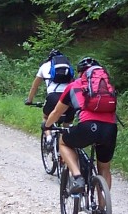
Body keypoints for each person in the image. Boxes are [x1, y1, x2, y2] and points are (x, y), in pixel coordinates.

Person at [43, 56, 118, 194]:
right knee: (104, 168)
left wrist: (47, 125)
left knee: (64, 143)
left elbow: (57, 112)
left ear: (80, 73)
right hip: (110, 128)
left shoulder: (74, 86)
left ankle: (77, 177)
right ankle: (102, 210)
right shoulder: (107, 87)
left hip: (88, 126)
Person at [25, 49, 76, 125]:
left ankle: (48, 136)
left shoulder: (44, 66)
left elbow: (34, 87)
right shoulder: (68, 67)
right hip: (69, 97)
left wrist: (29, 100)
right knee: (68, 124)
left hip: (53, 96)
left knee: (46, 117)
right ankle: (64, 135)